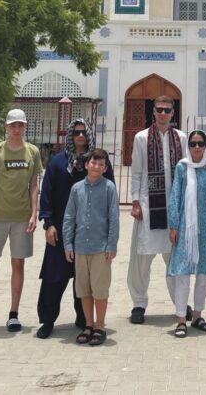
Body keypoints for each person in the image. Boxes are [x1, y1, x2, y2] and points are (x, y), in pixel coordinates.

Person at [35, 118, 116, 339]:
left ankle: (85, 321)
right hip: (62, 231)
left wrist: (110, 239)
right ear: (70, 135)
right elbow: (47, 193)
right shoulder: (58, 162)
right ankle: (47, 320)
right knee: (54, 277)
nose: (80, 136)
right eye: (76, 132)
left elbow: (111, 201)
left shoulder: (97, 161)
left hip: (92, 235)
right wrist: (48, 224)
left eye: (83, 133)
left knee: (86, 280)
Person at [0, 108, 42, 333]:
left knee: (18, 264)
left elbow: (34, 185)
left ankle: (13, 314)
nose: (17, 129)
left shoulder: (32, 152)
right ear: (6, 126)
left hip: (21, 218)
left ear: (25, 127)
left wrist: (34, 214)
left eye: (20, 125)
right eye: (13, 125)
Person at [127, 95, 188, 324]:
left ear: (173, 113)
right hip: (148, 205)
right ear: (153, 111)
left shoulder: (181, 138)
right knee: (142, 257)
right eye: (159, 109)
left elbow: (184, 171)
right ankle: (139, 303)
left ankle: (180, 303)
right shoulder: (141, 138)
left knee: (174, 257)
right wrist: (135, 201)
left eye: (167, 110)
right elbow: (137, 171)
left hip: (173, 205)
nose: (163, 113)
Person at [167, 129, 206, 337]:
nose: (197, 147)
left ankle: (198, 315)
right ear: (188, 146)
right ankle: (181, 318)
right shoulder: (182, 168)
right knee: (182, 274)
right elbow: (175, 197)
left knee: (202, 275)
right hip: (185, 228)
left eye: (201, 143)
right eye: (193, 143)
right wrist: (173, 225)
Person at [63, 148, 119, 346]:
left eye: (101, 164)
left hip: (100, 248)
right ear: (86, 164)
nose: (97, 166)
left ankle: (100, 326)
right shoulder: (76, 188)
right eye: (93, 162)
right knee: (84, 289)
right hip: (80, 247)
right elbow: (69, 217)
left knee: (100, 289)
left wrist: (111, 244)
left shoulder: (109, 188)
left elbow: (114, 218)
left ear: (105, 168)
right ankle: (88, 324)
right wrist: (68, 243)